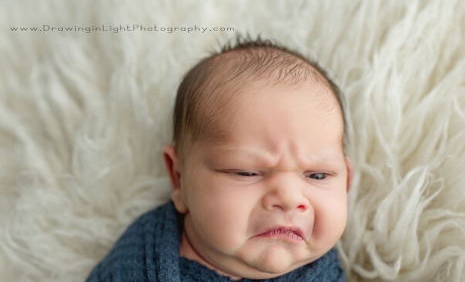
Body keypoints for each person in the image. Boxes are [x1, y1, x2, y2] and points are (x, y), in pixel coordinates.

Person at [86, 37, 353, 281]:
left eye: (318, 175)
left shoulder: (328, 274)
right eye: (246, 172)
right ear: (179, 178)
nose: (289, 198)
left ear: (347, 181)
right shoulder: (140, 260)